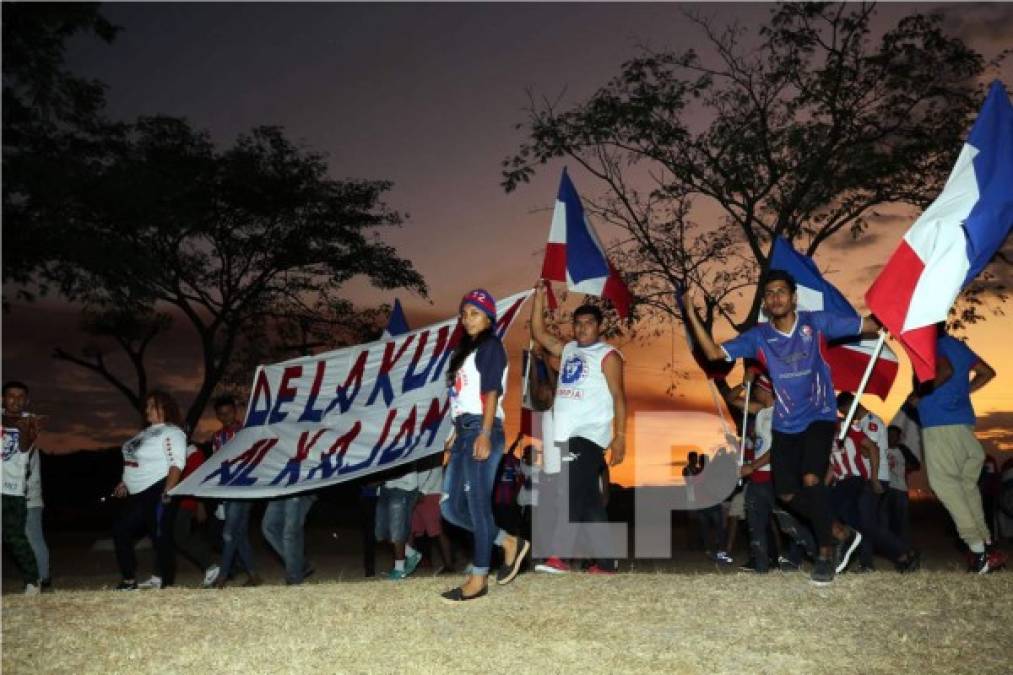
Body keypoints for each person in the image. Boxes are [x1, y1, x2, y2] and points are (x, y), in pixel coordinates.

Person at [682, 271, 875, 585]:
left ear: (793, 297)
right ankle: (840, 530)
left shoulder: (817, 323)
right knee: (785, 493)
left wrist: (889, 313)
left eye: (781, 291)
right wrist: (691, 315)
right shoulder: (759, 337)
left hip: (820, 416)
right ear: (766, 303)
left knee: (812, 478)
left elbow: (868, 326)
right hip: (785, 425)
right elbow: (716, 354)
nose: (775, 298)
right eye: (769, 293)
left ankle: (826, 553)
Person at [530, 282, 627, 575]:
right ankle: (607, 564)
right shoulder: (569, 349)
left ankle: (559, 556)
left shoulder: (608, 355)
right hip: (564, 434)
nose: (583, 328)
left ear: (599, 327)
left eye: (589, 323)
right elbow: (539, 333)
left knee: (569, 492)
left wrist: (620, 437)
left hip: (589, 435)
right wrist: (537, 299)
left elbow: (619, 396)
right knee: (588, 502)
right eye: (578, 323)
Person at [439, 289, 529, 602]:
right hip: (463, 430)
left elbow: (491, 393)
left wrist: (486, 433)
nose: (467, 318)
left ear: (489, 317)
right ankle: (507, 542)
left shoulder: (491, 346)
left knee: (478, 506)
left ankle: (478, 577)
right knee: (450, 508)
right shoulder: (463, 351)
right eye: (464, 313)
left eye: (475, 313)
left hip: (483, 427)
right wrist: (452, 434)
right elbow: (460, 398)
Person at [916, 328, 1004, 573]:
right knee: (966, 487)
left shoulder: (931, 345)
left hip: (941, 425)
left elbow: (945, 371)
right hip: (964, 427)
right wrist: (965, 392)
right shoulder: (958, 345)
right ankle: (986, 543)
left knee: (945, 485)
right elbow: (987, 373)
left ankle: (977, 551)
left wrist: (919, 394)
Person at [112, 390, 187, 590]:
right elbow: (134, 461)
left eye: (152, 405)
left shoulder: (173, 432)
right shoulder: (144, 433)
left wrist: (168, 491)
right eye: (146, 406)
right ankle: (129, 580)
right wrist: (124, 482)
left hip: (158, 488)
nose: (147, 409)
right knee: (120, 530)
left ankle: (167, 584)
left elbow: (176, 464)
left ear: (165, 407)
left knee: (160, 536)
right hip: (137, 492)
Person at [727, 375, 776, 573]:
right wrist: (744, 383)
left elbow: (778, 449)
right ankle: (761, 565)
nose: (754, 392)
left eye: (756, 388)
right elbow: (730, 399)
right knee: (755, 522)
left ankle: (819, 553)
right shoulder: (760, 410)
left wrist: (752, 466)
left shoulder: (781, 414)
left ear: (765, 390)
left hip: (774, 476)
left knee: (786, 521)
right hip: (757, 478)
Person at [211, 395, 260, 588]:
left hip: (245, 487)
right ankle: (254, 575)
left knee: (229, 533)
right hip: (226, 490)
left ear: (235, 411)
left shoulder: (246, 431)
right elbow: (216, 465)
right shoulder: (216, 437)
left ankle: (222, 576)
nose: (225, 417)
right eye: (221, 414)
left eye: (228, 413)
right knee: (239, 534)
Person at [2, 381, 42, 594]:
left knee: (14, 537)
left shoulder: (31, 423)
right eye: (10, 396)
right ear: (3, 398)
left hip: (13, 489)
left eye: (20, 397)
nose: (15, 401)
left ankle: (32, 581)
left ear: (26, 401)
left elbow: (25, 446)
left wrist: (22, 426)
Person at [173, 442, 220, 587]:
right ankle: (159, 576)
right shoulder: (175, 451)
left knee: (180, 537)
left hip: (186, 501)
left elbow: (199, 479)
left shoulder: (194, 453)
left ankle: (211, 566)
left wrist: (200, 505)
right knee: (166, 538)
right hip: (174, 501)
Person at [409, 453, 453, 574]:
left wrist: (423, 491)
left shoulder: (433, 450)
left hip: (432, 493)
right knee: (410, 530)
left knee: (438, 531)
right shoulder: (417, 450)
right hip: (416, 494)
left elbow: (436, 472)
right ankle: (407, 565)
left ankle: (449, 565)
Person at [376, 464, 422, 580]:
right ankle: (412, 554)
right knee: (381, 533)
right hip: (384, 486)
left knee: (397, 531)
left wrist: (423, 490)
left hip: (404, 486)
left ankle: (399, 569)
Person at [261, 492, 317, 585]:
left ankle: (294, 578)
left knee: (291, 532)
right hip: (279, 487)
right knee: (269, 527)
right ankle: (301, 564)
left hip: (300, 487)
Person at [884, 424, 921, 552]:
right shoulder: (880, 448)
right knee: (885, 520)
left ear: (899, 438)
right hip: (884, 490)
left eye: (894, 436)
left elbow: (916, 465)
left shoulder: (902, 449)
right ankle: (889, 548)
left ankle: (904, 548)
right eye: (889, 435)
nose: (891, 438)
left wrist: (905, 469)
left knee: (902, 521)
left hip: (900, 489)